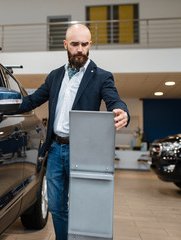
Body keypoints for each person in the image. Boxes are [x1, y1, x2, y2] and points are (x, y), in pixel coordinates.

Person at [17, 24, 129, 240]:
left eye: (84, 44)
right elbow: (32, 101)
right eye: (75, 44)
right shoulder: (55, 76)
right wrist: (2, 105)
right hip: (56, 149)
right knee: (56, 207)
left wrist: (122, 111)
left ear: (90, 45)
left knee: (83, 208)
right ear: (66, 45)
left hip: (83, 151)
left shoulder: (102, 77)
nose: (80, 49)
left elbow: (114, 99)